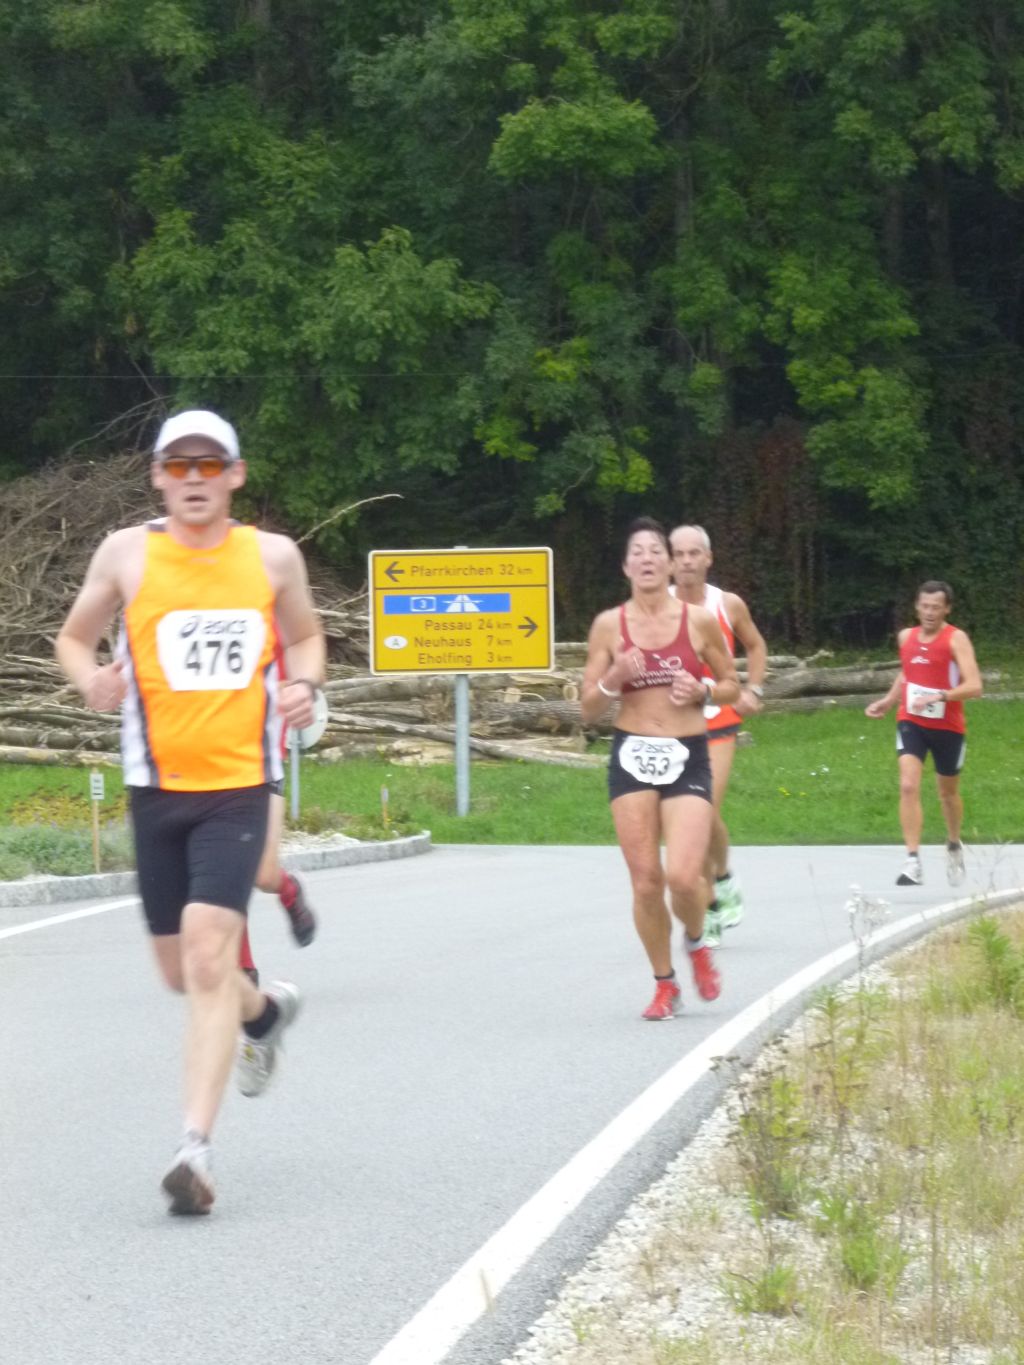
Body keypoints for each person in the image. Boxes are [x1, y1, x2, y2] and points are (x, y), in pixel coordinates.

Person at [56, 409, 325, 1215]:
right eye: (180, 465)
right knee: (181, 973)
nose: (195, 478)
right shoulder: (126, 554)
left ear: (235, 475)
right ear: (158, 476)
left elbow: (306, 637)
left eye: (211, 464)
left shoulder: (271, 557)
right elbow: (74, 638)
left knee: (210, 954)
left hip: (239, 783)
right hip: (155, 786)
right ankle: (265, 1012)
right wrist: (91, 680)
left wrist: (305, 684)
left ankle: (194, 1152)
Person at [581, 517, 740, 1020]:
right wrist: (614, 677)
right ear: (626, 567)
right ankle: (664, 984)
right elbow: (586, 709)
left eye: (656, 551)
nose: (647, 558)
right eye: (638, 552)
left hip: (687, 751)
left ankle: (695, 942)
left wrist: (704, 689)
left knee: (684, 878)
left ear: (670, 565)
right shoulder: (609, 625)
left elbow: (732, 685)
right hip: (632, 753)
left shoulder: (699, 621)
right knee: (646, 881)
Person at [669, 525, 767, 945]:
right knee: (687, 819)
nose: (687, 561)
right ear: (670, 561)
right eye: (679, 554)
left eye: (694, 553)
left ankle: (712, 900)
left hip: (718, 718)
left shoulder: (726, 604)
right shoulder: (657, 605)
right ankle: (719, 883)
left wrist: (754, 690)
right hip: (672, 725)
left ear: (708, 558)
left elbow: (756, 646)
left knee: (704, 811)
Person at [864, 580, 982, 887]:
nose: (929, 612)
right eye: (925, 606)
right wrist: (889, 701)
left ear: (947, 609)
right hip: (911, 721)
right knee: (907, 785)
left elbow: (975, 686)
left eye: (936, 607)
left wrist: (940, 696)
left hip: (948, 727)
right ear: (917, 607)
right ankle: (913, 860)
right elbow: (908, 671)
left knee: (948, 793)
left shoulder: (956, 639)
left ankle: (953, 843)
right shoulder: (907, 637)